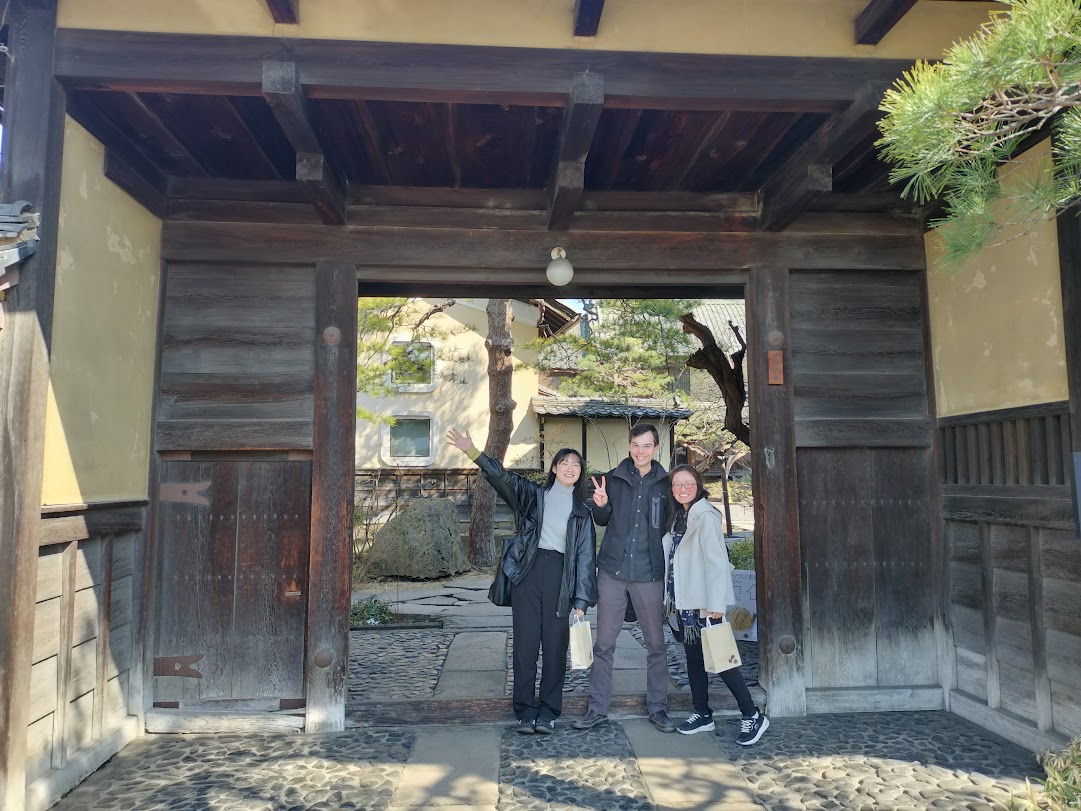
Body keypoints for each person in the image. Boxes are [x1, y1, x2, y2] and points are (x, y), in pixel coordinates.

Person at [447, 428, 597, 734]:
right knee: (525, 646)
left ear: (580, 473)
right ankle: (526, 711)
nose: (570, 468)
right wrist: (472, 451)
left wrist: (581, 600)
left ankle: (549, 711)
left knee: (554, 647)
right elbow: (501, 476)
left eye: (576, 465)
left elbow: (585, 558)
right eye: (564, 463)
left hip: (561, 578)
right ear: (554, 468)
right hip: (528, 572)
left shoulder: (582, 512)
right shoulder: (533, 496)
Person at [574, 423, 675, 733]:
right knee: (604, 644)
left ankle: (658, 707)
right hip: (613, 572)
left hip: (649, 574)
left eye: (647, 445)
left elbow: (674, 521)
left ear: (656, 448)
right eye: (636, 444)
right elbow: (602, 519)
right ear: (629, 445)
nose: (640, 451)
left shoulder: (666, 483)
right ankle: (597, 708)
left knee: (656, 644)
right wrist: (601, 505)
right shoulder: (612, 479)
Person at [663, 464, 769, 745]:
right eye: (677, 485)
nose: (683, 489)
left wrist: (717, 604)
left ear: (698, 486)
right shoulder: (679, 517)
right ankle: (702, 713)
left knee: (722, 660)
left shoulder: (705, 516)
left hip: (704, 604)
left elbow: (717, 563)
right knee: (694, 661)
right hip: (685, 603)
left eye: (688, 484)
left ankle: (752, 714)